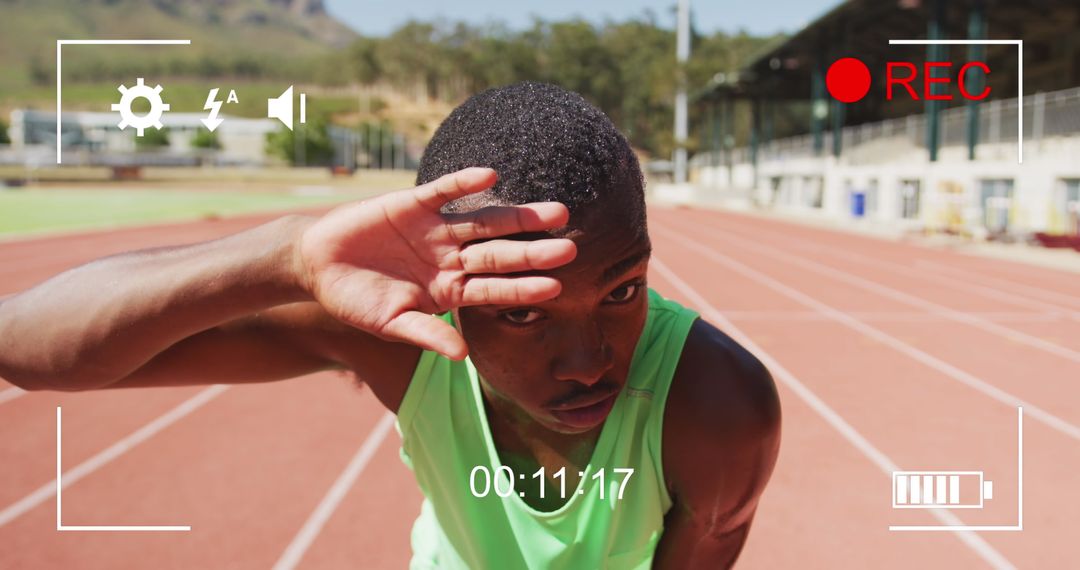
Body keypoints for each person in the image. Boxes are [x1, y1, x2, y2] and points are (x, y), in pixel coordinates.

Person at [0, 82, 780, 569]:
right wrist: (285, 257)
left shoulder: (718, 409)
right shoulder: (401, 340)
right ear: (450, 298)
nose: (586, 362)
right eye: (518, 311)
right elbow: (25, 346)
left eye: (621, 291)